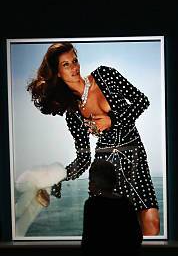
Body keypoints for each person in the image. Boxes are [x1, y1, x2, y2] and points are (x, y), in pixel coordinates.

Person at [27, 42, 160, 235]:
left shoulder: (105, 75)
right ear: (57, 72)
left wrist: (111, 120)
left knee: (152, 225)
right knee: (113, 237)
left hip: (135, 160)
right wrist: (57, 178)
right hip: (104, 171)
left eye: (75, 60)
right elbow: (83, 159)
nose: (74, 67)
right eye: (66, 65)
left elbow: (142, 101)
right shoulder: (73, 115)